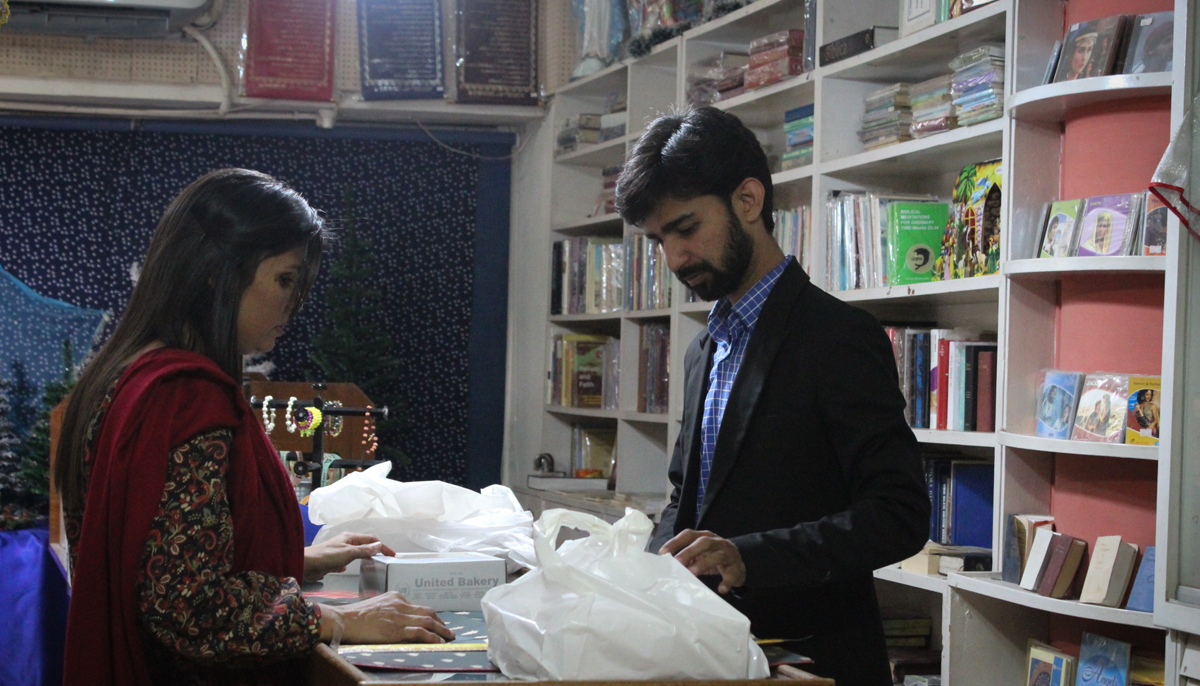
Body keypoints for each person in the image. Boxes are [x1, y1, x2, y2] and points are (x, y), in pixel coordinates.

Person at [56, 169, 455, 686]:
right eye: (285, 280)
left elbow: (156, 551)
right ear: (216, 271)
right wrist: (337, 618)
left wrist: (296, 560)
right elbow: (188, 610)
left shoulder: (126, 370)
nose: (295, 304)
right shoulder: (186, 397)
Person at [615, 107, 929, 686]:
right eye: (659, 240)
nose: (674, 259)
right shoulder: (702, 349)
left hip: (817, 659)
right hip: (713, 655)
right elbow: (688, 499)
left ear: (749, 200)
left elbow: (900, 516)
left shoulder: (840, 337)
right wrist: (651, 575)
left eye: (685, 229)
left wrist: (748, 557)